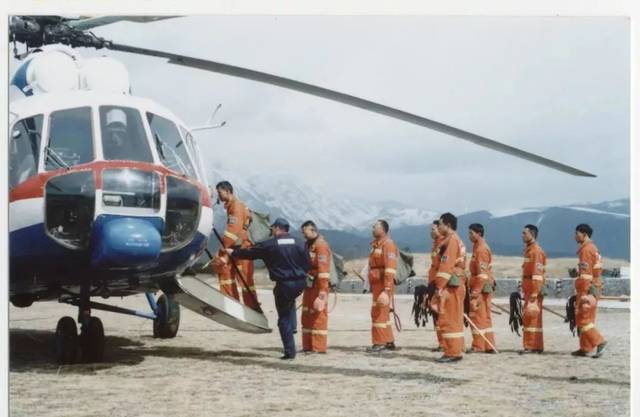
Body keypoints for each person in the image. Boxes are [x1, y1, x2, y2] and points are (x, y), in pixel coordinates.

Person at [227, 218, 310, 360]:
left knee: (283, 319)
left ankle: (290, 352)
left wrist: (233, 252)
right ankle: (293, 327)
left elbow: (250, 253)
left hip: (284, 284)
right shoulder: (300, 243)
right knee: (290, 305)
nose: (271, 231)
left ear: (277, 228)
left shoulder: (270, 244)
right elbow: (307, 263)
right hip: (300, 283)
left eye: (272, 228)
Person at [213, 181, 260, 310]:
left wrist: (222, 250)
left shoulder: (236, 207)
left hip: (242, 248)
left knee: (245, 280)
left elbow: (233, 232)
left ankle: (252, 308)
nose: (218, 195)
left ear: (227, 192)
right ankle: (233, 305)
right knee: (226, 273)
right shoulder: (232, 206)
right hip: (237, 247)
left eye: (219, 192)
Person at [433, 213, 467, 363]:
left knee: (449, 318)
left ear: (448, 224)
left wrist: (439, 286)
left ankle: (452, 352)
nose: (438, 227)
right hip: (456, 283)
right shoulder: (454, 239)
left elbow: (446, 266)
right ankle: (455, 350)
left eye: (440, 224)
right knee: (454, 318)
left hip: (451, 285)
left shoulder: (451, 241)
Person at [572, 223, 608, 358]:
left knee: (582, 319)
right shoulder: (593, 248)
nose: (575, 236)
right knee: (589, 318)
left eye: (577, 233)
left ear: (584, 234)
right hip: (595, 287)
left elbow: (586, 275)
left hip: (587, 289)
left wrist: (582, 294)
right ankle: (585, 348)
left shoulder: (586, 250)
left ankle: (600, 342)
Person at [366, 220, 399, 353]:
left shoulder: (388, 245)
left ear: (383, 229)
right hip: (376, 284)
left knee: (378, 314)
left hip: (383, 285)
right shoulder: (376, 245)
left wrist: (386, 289)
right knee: (383, 314)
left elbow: (390, 269)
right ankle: (389, 341)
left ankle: (379, 343)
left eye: (375, 227)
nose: (372, 229)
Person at [300, 220, 332, 353]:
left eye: (305, 231)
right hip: (309, 284)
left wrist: (322, 293)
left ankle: (318, 347)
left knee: (318, 315)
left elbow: (324, 271)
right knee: (307, 313)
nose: (303, 234)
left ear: (313, 230)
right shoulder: (307, 245)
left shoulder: (321, 246)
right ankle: (307, 346)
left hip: (318, 285)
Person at [467, 223, 496, 353]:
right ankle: (488, 345)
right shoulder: (477, 247)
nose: (469, 236)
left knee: (477, 316)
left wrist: (475, 293)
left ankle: (478, 346)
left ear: (479, 234)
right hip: (481, 286)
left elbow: (482, 274)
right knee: (484, 317)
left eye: (471, 233)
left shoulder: (481, 249)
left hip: (480, 287)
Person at [519, 224, 546, 354]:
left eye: (525, 233)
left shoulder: (536, 251)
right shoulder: (529, 250)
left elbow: (537, 273)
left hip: (533, 288)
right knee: (532, 317)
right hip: (528, 287)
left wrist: (535, 292)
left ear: (532, 234)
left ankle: (531, 346)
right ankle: (536, 346)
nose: (522, 235)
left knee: (531, 317)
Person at [427, 220, 445, 352]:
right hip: (433, 282)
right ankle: (441, 343)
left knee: (441, 313)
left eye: (433, 229)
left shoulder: (444, 243)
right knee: (435, 314)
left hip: (439, 283)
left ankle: (445, 343)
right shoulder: (435, 244)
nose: (431, 231)